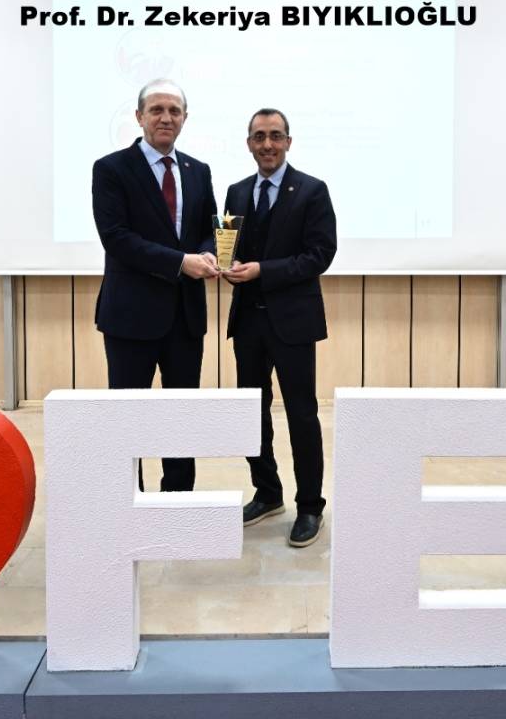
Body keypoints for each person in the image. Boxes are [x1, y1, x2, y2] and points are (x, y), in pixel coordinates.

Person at [91, 80, 219, 493]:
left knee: (181, 420)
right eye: (157, 110)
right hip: (131, 318)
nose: (166, 118)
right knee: (128, 421)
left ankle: (177, 504)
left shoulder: (198, 171)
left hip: (185, 318)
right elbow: (116, 238)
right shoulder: (111, 169)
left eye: (174, 111)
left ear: (185, 118)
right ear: (139, 116)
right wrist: (182, 262)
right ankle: (128, 504)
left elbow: (208, 229)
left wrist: (209, 253)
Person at [224, 109, 337, 548]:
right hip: (248, 321)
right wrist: (228, 267)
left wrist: (262, 271)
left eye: (275, 136)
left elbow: (320, 255)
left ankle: (310, 506)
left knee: (301, 415)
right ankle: (268, 493)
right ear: (249, 143)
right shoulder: (236, 192)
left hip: (293, 323)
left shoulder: (312, 190)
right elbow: (229, 247)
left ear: (288, 141)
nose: (267, 144)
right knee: (251, 414)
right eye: (259, 137)